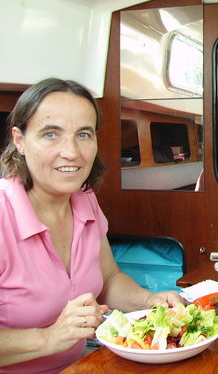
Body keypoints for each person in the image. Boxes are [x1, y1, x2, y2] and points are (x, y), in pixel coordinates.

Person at [0, 78, 184, 373]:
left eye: (83, 134)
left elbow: (109, 278)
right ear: (19, 140)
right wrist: (49, 338)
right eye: (51, 134)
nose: (72, 152)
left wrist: (149, 301)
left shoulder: (84, 200)